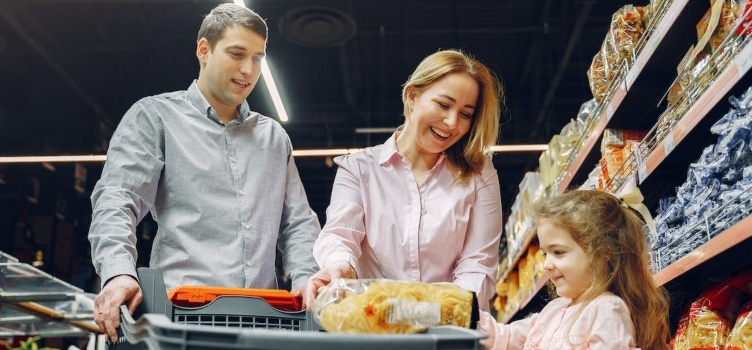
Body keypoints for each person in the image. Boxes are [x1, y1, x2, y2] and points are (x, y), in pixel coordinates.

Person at [87, 3, 320, 342]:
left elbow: (297, 223)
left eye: (257, 58)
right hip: (180, 321)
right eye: (237, 53)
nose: (248, 69)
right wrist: (118, 273)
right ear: (204, 50)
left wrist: (306, 279)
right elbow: (117, 199)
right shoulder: (155, 118)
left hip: (265, 322)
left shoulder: (273, 138)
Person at [304, 49, 504, 311]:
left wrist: (432, 311)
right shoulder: (359, 169)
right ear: (412, 96)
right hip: (374, 324)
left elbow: (479, 264)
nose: (452, 122)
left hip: (449, 330)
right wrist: (340, 267)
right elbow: (340, 235)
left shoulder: (479, 174)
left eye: (466, 114)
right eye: (444, 105)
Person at [477, 190, 670, 350]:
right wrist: (467, 314)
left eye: (558, 252)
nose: (546, 265)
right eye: (545, 254)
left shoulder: (605, 310)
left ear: (604, 252)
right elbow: (508, 337)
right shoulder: (554, 310)